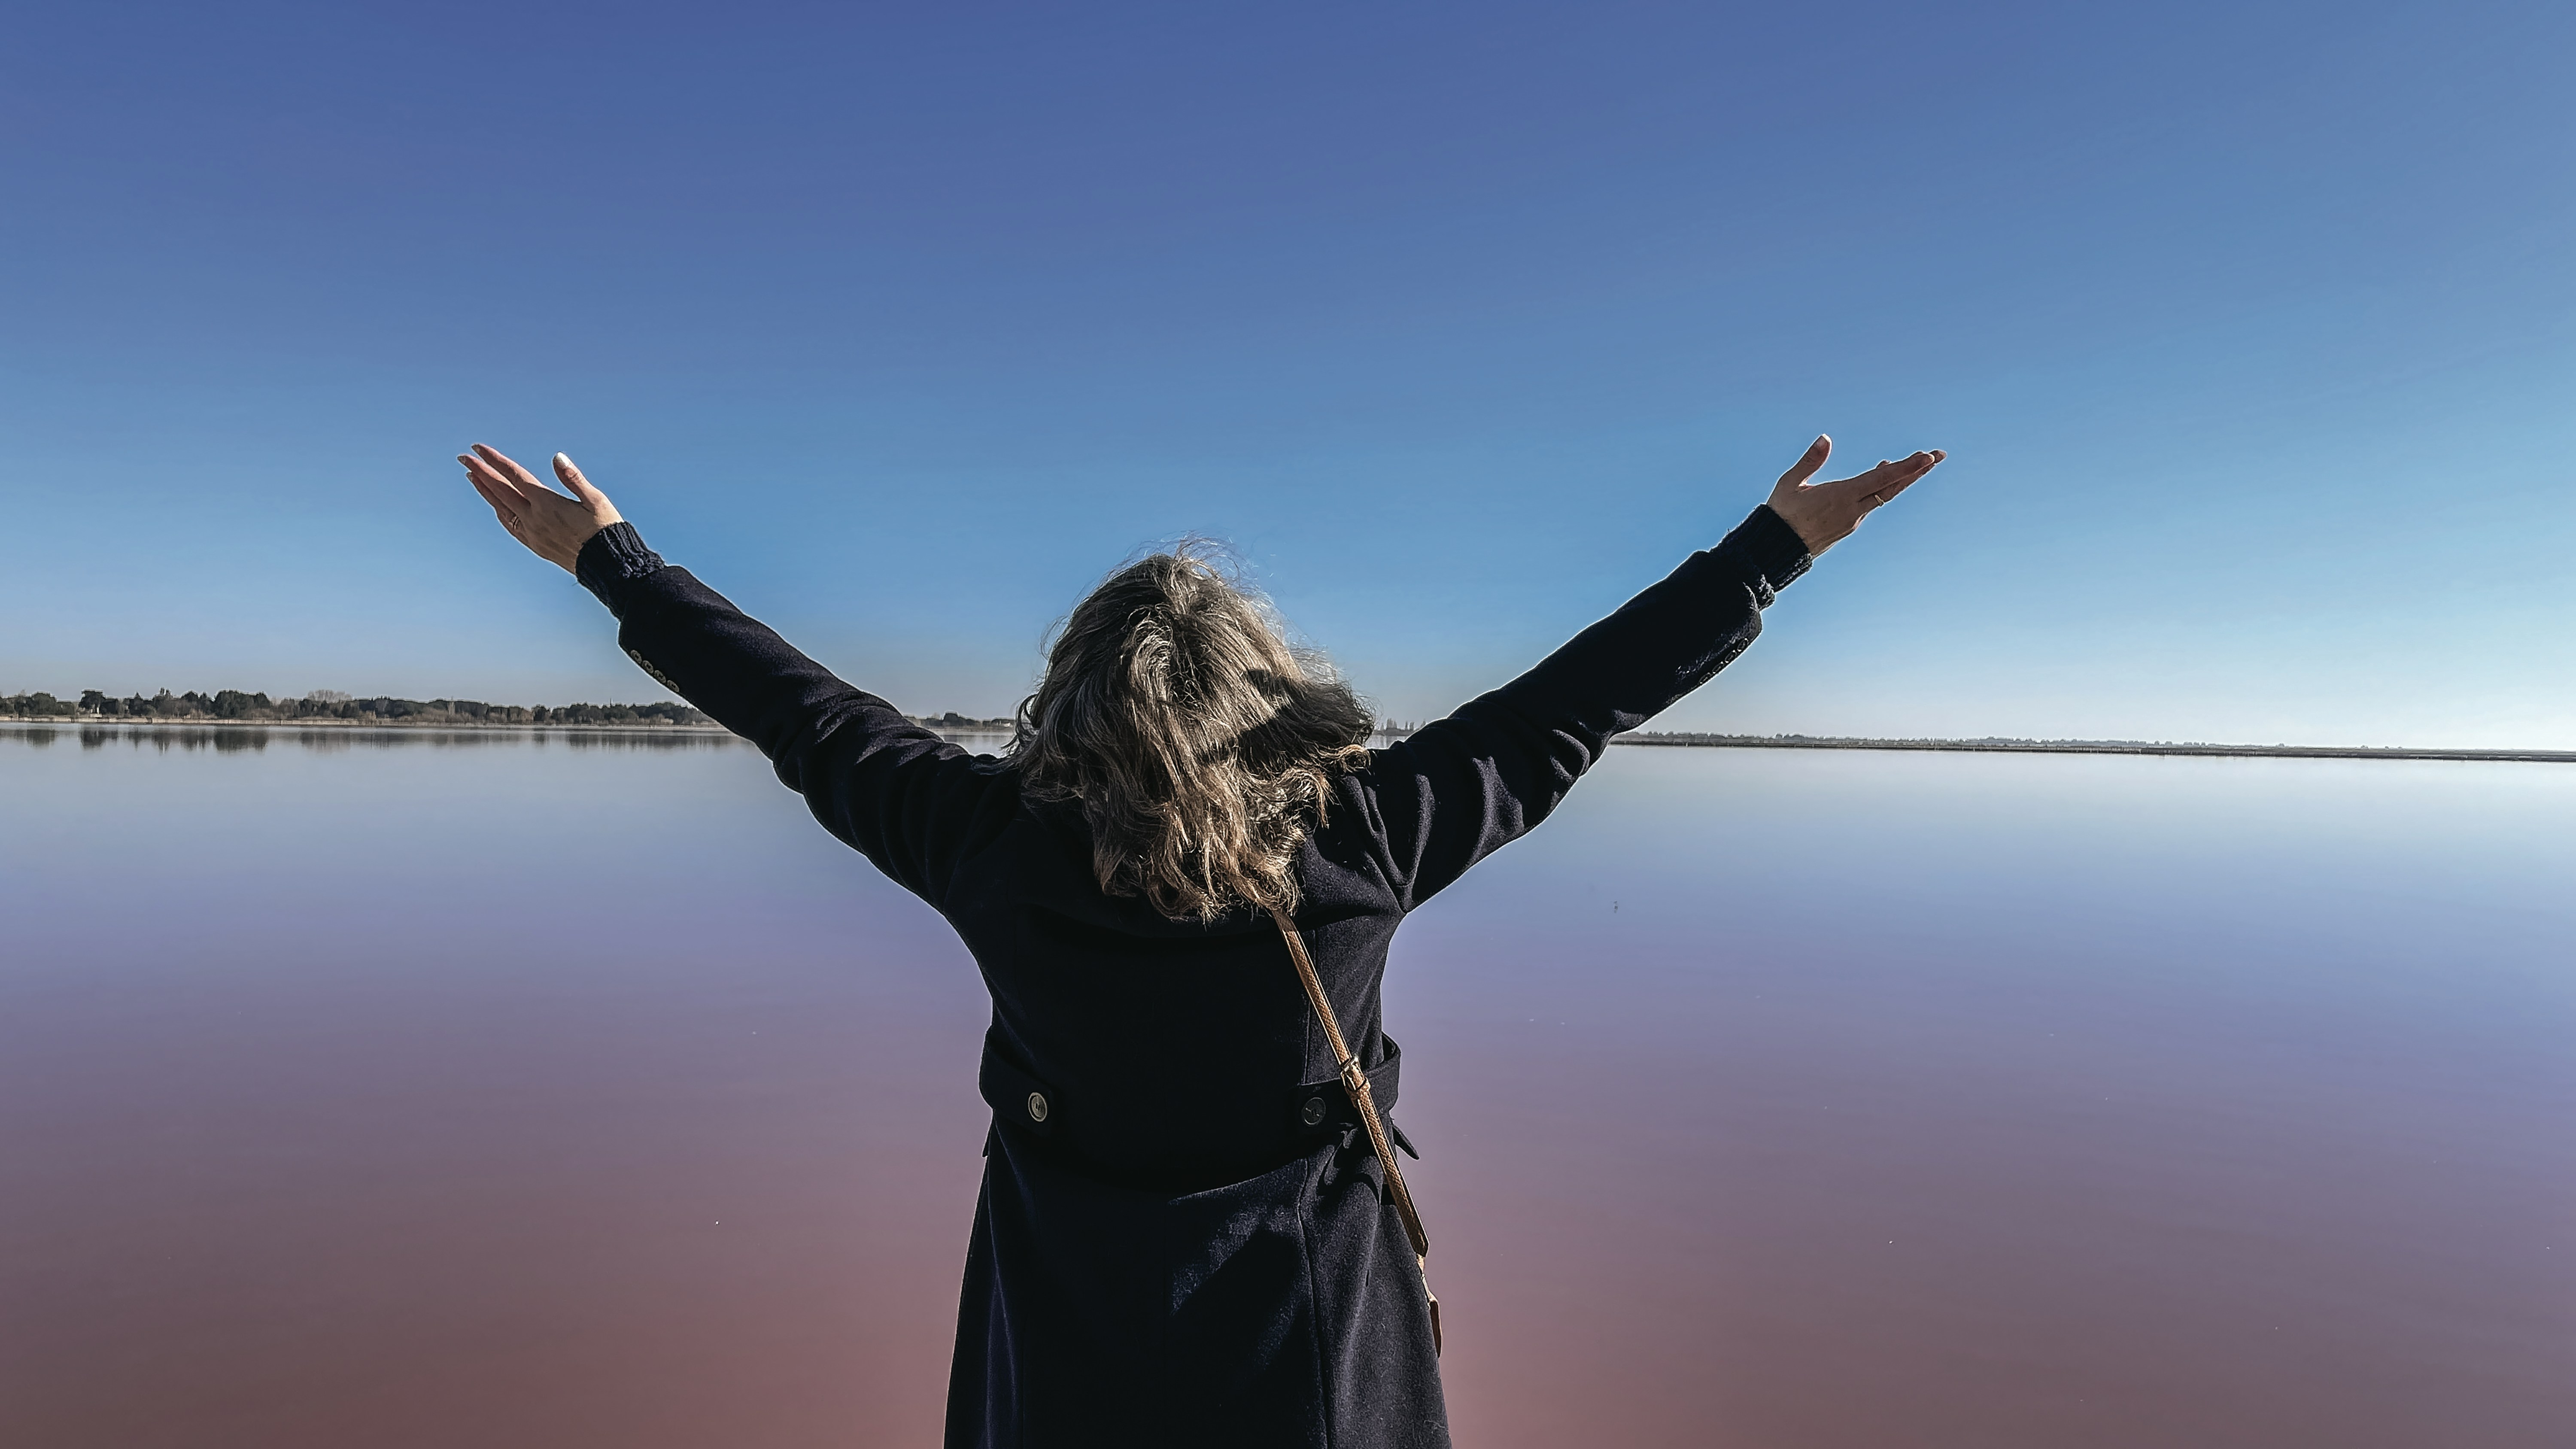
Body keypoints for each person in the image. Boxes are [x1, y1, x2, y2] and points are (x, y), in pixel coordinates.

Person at [458, 436, 1941, 1449]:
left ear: (1072, 702)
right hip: (1313, 1338)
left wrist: (617, 563)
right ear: (1273, 698)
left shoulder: (993, 850)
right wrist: (1766, 553)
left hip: (1068, 1334)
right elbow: (1570, 705)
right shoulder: (1361, 843)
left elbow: (803, 713)